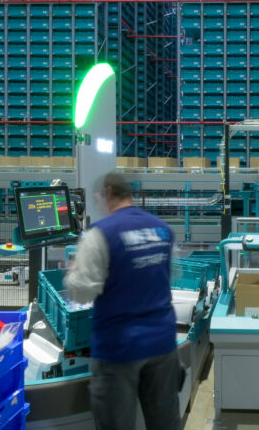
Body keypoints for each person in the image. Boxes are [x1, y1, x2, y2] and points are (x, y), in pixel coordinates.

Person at [64, 171, 181, 430]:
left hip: (119, 349)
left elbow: (82, 292)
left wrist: (72, 271)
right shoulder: (162, 228)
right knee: (166, 423)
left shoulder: (101, 234)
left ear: (107, 193)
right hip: (163, 343)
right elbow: (168, 276)